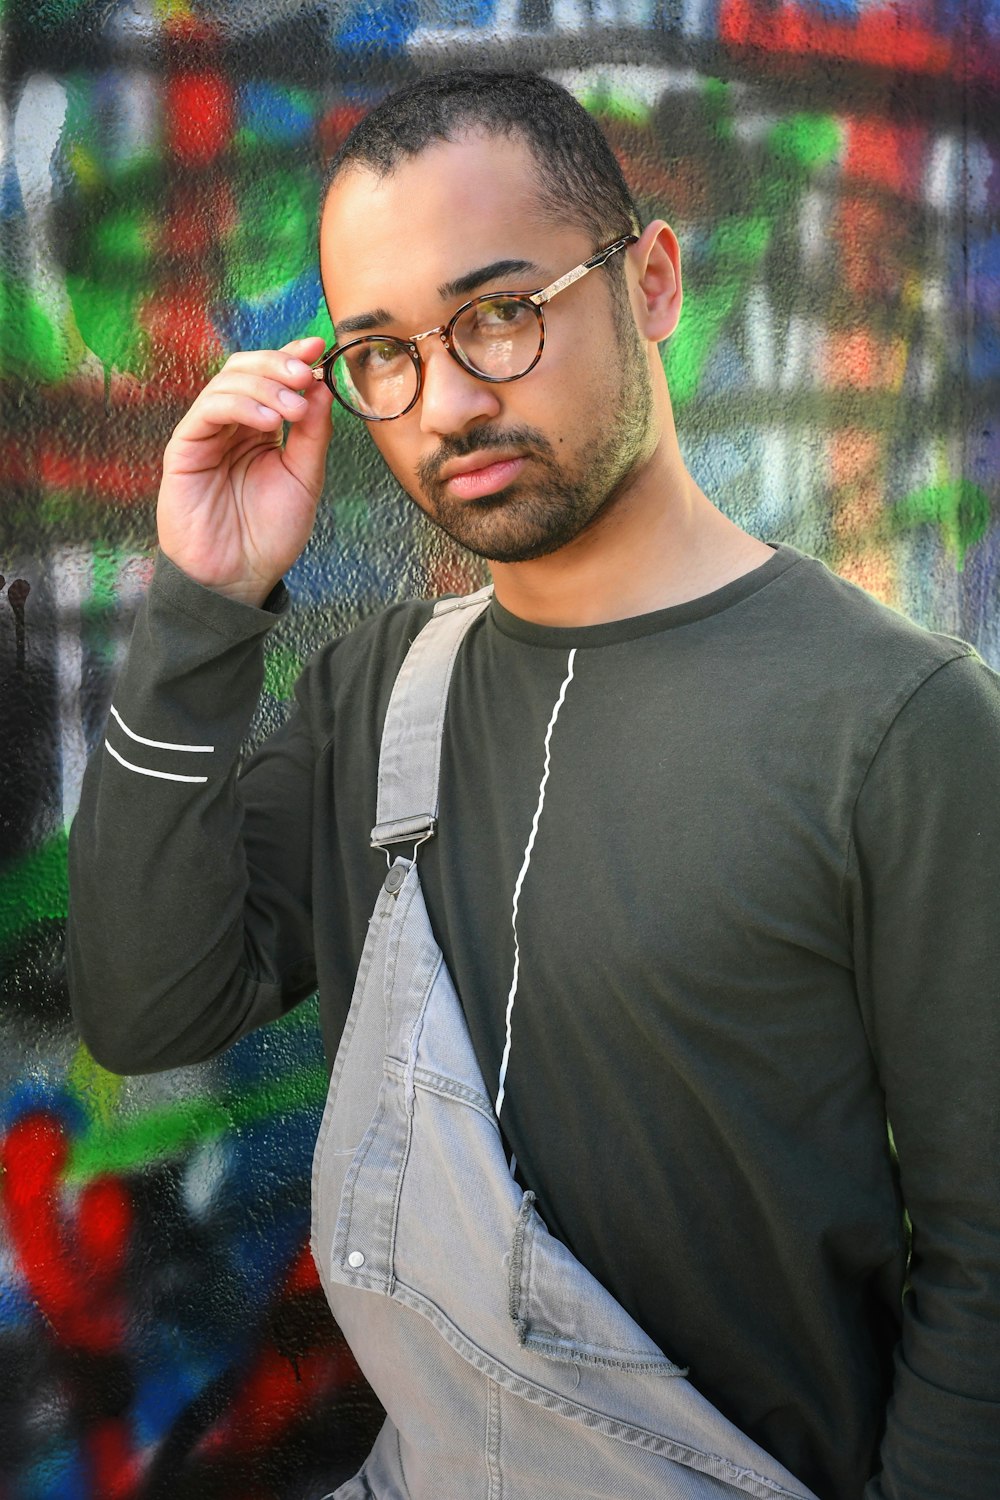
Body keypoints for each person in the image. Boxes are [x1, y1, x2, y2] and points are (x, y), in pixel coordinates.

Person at [66, 70, 1000, 1500]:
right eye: (381, 351)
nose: (445, 401)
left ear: (656, 280)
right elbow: (148, 1007)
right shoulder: (378, 695)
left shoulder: (902, 723)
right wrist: (202, 604)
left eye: (498, 314)